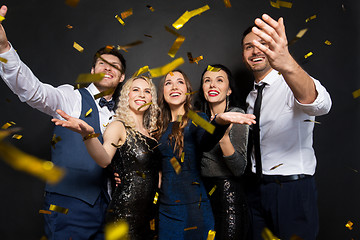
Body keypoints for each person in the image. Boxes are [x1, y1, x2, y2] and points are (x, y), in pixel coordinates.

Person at [0, 5, 127, 239]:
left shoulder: (123, 114)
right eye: (102, 63)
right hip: (68, 207)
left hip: (108, 210)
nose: (107, 68)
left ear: (121, 77)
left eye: (115, 67)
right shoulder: (71, 97)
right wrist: (4, 48)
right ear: (92, 70)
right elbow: (33, 91)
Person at [242, 14, 332, 239]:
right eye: (248, 47)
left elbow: (321, 104)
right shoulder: (251, 96)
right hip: (256, 188)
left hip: (291, 189)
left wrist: (288, 64)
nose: (255, 51)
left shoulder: (292, 82)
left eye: (263, 43)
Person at [52, 76, 161, 239]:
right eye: (136, 90)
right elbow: (104, 159)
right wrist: (88, 135)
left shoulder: (153, 136)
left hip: (149, 217)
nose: (142, 95)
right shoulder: (118, 127)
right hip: (125, 216)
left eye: (147, 91)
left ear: (152, 98)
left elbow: (155, 177)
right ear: (127, 96)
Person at [155, 69, 256, 239]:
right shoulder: (157, 126)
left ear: (188, 90)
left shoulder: (198, 118)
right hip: (166, 210)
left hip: (195, 207)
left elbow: (207, 141)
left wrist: (219, 121)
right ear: (162, 91)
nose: (174, 87)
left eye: (180, 82)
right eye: (168, 83)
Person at [194, 64, 250, 240]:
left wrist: (224, 137)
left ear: (229, 91)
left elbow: (239, 169)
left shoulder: (237, 116)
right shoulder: (199, 119)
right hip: (201, 199)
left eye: (219, 80)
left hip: (228, 198)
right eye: (207, 81)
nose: (212, 85)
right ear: (202, 88)